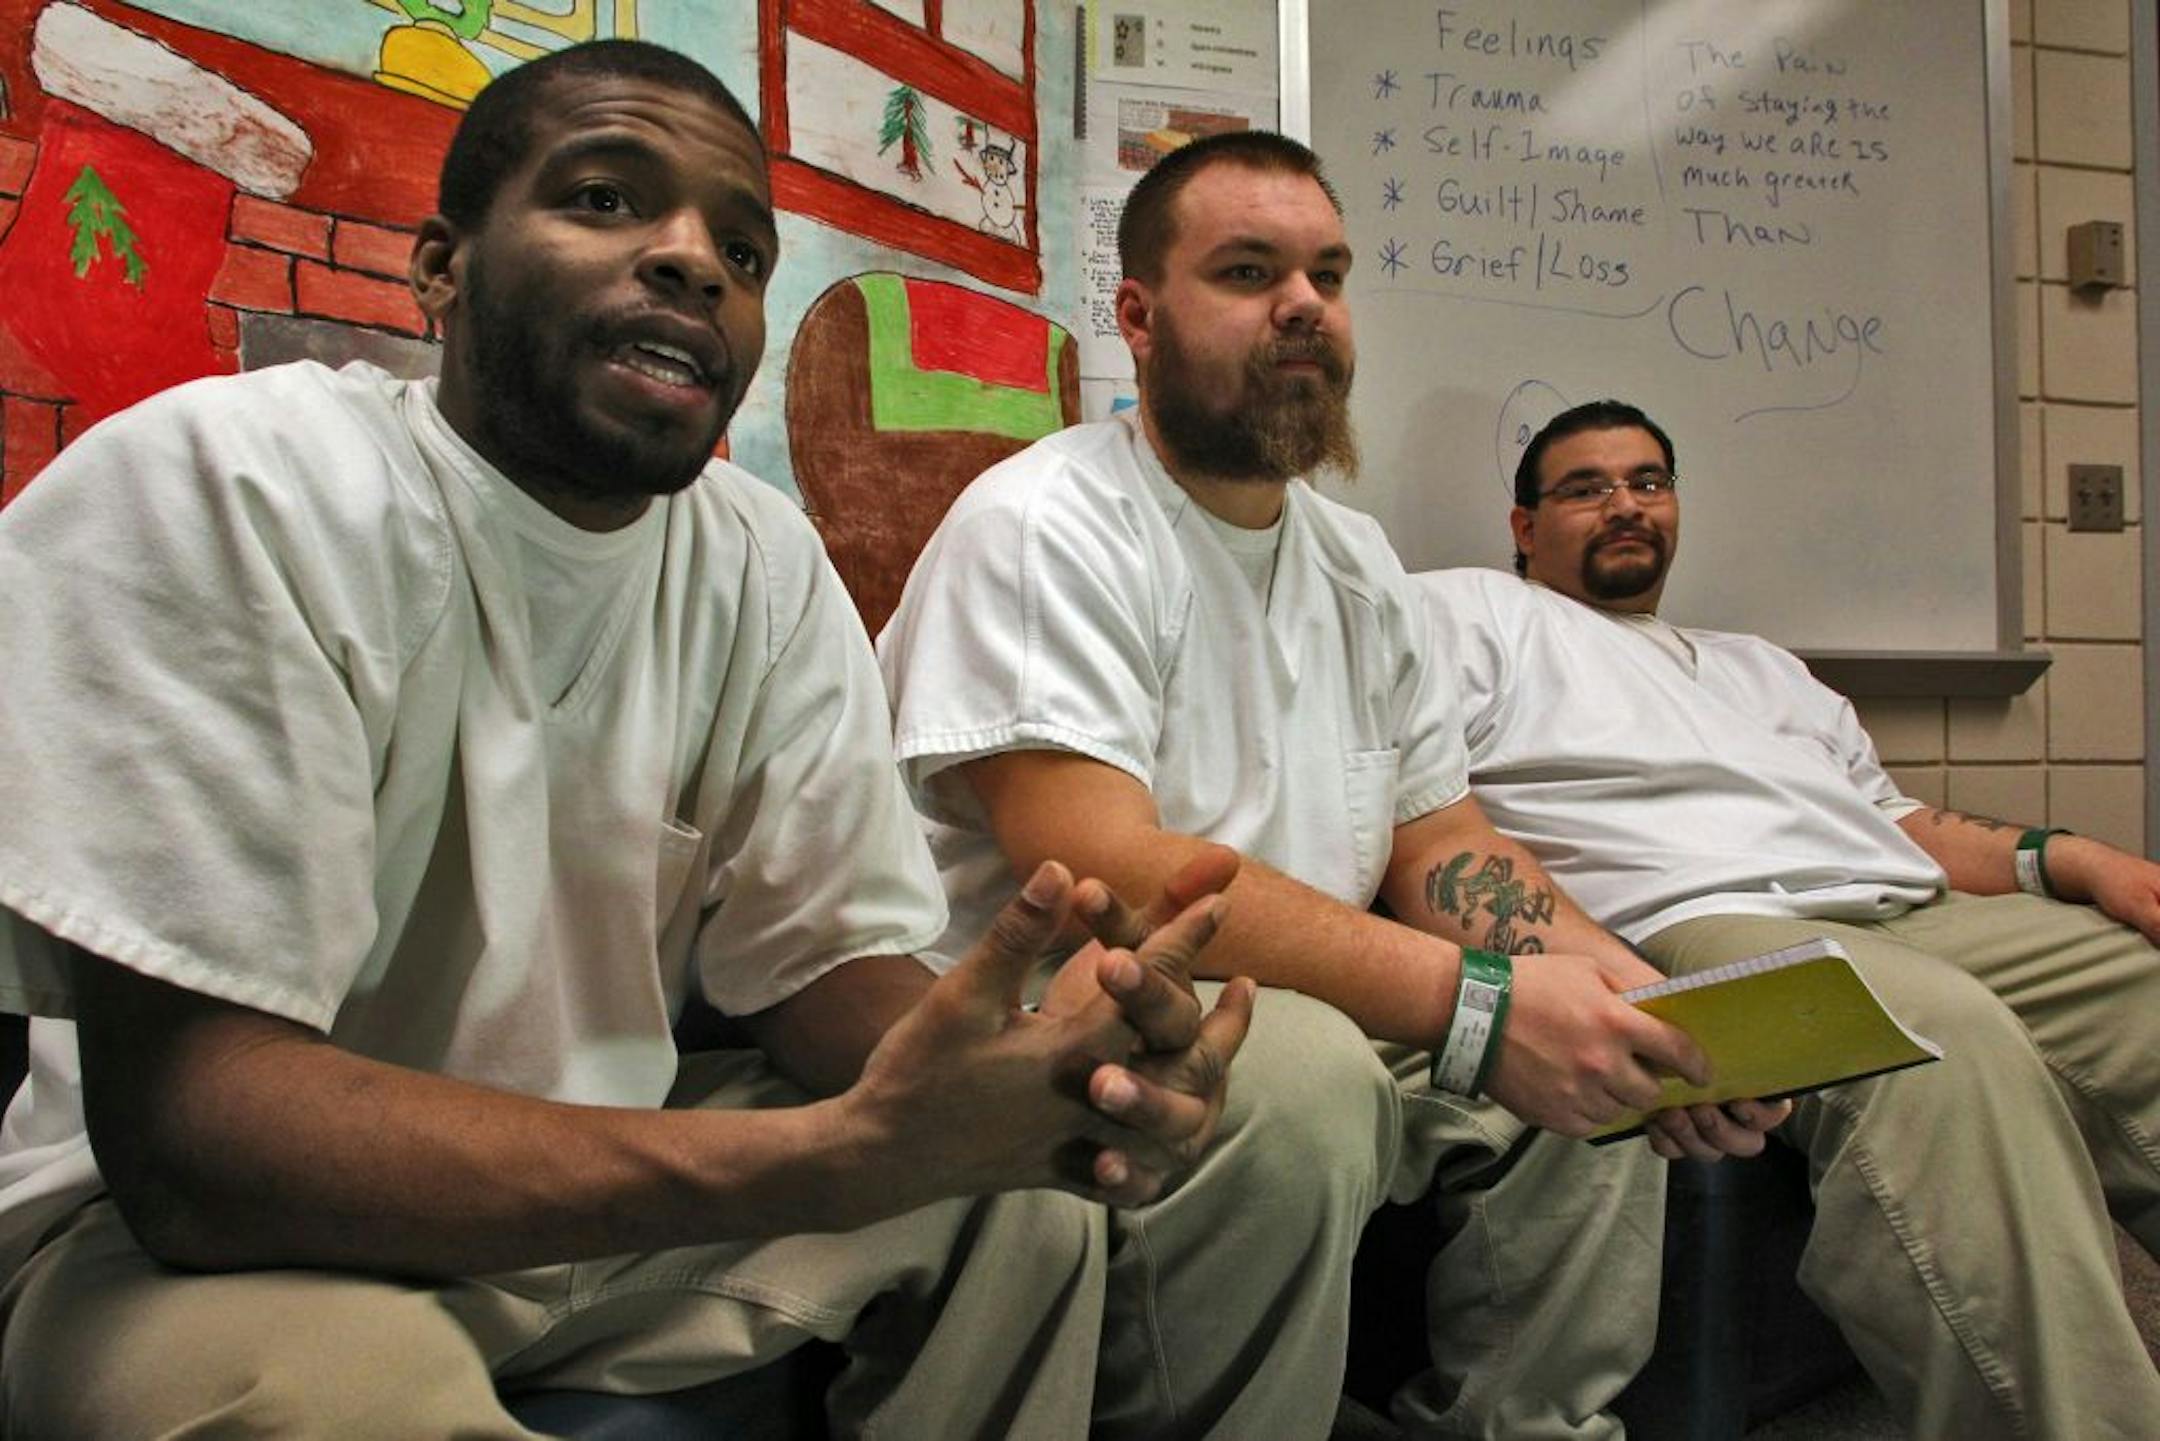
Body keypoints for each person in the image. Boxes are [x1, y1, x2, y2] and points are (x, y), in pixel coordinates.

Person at [0, 39, 1337, 1440]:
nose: (694, 263)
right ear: (443, 266)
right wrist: (818, 1161)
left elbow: (823, 969)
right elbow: (197, 1154)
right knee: (325, 1402)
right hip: (215, 1251)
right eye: (601, 198)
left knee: (1022, 1217)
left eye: (745, 254)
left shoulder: (756, 556)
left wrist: (1028, 1079)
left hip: (608, 1207)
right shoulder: (239, 486)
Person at [877, 131, 1784, 1440]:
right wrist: (1477, 1010)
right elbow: (1106, 876)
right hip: (1076, 1023)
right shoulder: (1047, 523)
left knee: (1587, 1046)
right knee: (1306, 1072)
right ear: (1137, 315)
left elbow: (1444, 845)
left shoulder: (1360, 566)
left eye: (1327, 273)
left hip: (1317, 1006)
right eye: (1248, 271)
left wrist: (1641, 994)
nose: (1303, 304)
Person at [1419, 397, 2160, 1437]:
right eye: (1585, 488)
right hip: (1694, 919)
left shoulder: (1760, 664)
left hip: (1896, 896)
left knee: (2141, 988)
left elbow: (1900, 820)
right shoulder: (1464, 614)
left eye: (1648, 482)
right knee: (1939, 1038)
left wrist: (2068, 859)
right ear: (1523, 526)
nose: (1625, 505)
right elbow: (1415, 802)